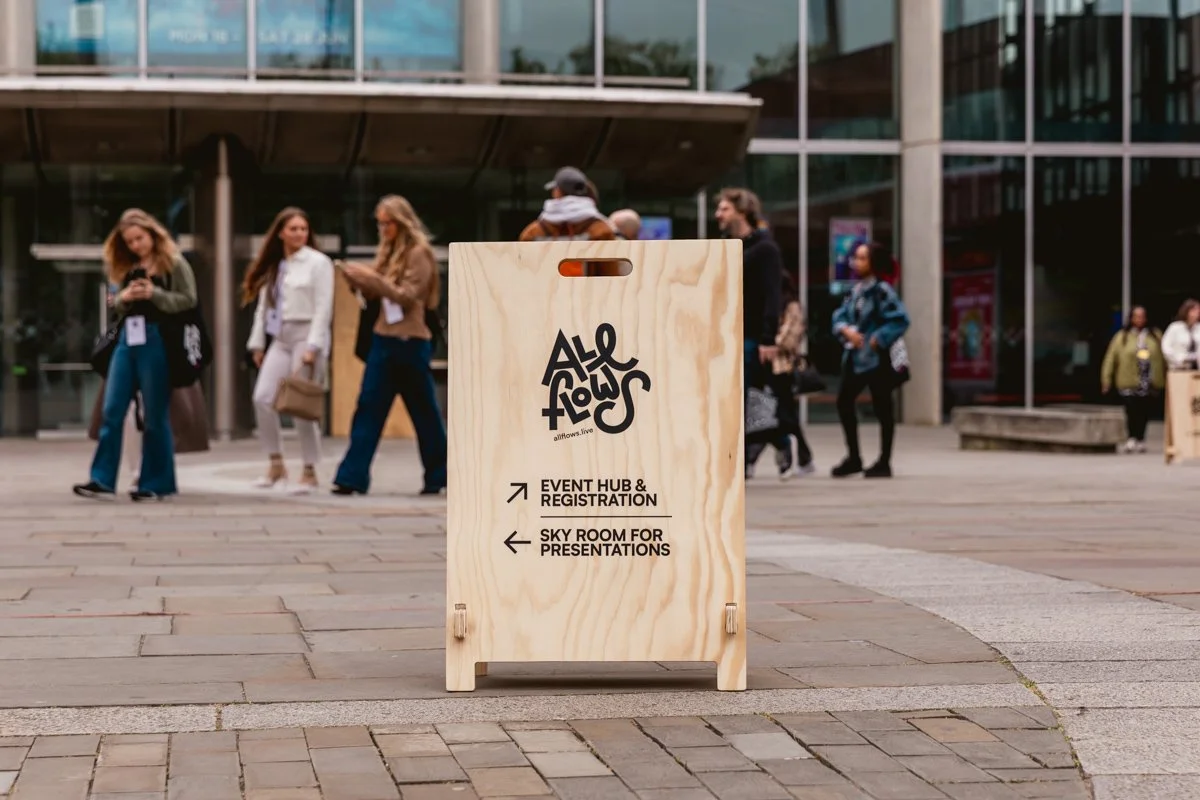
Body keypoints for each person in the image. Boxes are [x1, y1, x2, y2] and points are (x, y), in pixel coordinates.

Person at [74, 209, 198, 501]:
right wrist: (123, 298)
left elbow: (189, 299)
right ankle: (101, 479)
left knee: (154, 415)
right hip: (127, 339)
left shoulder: (173, 262)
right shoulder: (123, 265)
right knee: (112, 409)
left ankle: (156, 482)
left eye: (139, 238)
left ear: (152, 235)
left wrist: (153, 294)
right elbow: (113, 301)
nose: (135, 245)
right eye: (129, 241)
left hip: (158, 339)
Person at [333, 195, 447, 496]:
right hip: (383, 340)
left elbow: (408, 297)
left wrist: (373, 278)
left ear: (401, 222)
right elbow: (377, 298)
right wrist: (358, 282)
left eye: (388, 224)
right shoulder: (388, 252)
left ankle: (440, 475)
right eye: (380, 224)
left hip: (411, 342)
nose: (383, 230)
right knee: (368, 408)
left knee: (424, 414)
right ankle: (351, 477)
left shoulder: (419, 253)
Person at [243, 207, 335, 494]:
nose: (299, 234)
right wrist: (257, 343)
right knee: (262, 397)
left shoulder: (318, 263)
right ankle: (275, 464)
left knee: (300, 406)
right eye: (293, 229)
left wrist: (314, 346)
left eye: (303, 229)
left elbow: (324, 307)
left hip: (307, 335)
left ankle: (309, 471)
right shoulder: (275, 266)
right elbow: (263, 308)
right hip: (280, 339)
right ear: (281, 232)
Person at [713, 187, 783, 478]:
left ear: (742, 211)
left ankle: (746, 458)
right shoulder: (726, 246)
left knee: (744, 398)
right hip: (725, 334)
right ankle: (778, 442)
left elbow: (772, 294)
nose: (718, 214)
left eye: (725, 209)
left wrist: (769, 337)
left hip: (751, 335)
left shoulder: (764, 248)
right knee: (729, 398)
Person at [830, 240, 910, 479]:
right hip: (856, 358)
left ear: (873, 263)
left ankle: (884, 461)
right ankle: (854, 457)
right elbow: (838, 317)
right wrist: (846, 330)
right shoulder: (855, 292)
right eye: (856, 257)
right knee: (845, 402)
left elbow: (900, 319)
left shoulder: (881, 291)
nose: (856, 261)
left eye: (862, 258)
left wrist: (879, 338)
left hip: (877, 361)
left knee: (883, 408)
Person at [1100, 306, 1165, 454]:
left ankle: (1141, 438)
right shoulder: (1122, 336)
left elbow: (1163, 356)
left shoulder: (1155, 335)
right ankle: (1131, 437)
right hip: (1128, 379)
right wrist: (1106, 378)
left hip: (1148, 380)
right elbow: (1111, 358)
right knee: (1131, 409)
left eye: (1142, 316)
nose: (1139, 319)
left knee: (1145, 409)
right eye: (1136, 316)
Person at [519, 166, 616, 251]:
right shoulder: (601, 229)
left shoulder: (533, 231)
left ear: (557, 192)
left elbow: (521, 266)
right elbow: (610, 270)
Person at [1162, 298, 1200, 371]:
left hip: (1197, 369)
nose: (1197, 313)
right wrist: (1178, 359)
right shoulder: (1175, 327)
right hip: (1178, 368)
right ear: (1187, 311)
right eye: (1194, 310)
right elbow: (1166, 347)